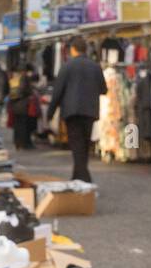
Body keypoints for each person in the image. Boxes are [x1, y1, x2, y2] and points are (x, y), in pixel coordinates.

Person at [46, 36, 107, 182]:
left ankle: (83, 178)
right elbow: (104, 89)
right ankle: (78, 176)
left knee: (77, 144)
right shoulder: (95, 66)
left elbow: (58, 91)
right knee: (84, 145)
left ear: (73, 50)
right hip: (90, 111)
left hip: (71, 111)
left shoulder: (67, 66)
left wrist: (50, 113)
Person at [8, 68, 35, 150]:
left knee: (17, 124)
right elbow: (28, 91)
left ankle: (17, 142)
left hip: (15, 105)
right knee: (24, 125)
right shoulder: (25, 78)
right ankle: (24, 143)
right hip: (23, 104)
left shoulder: (14, 78)